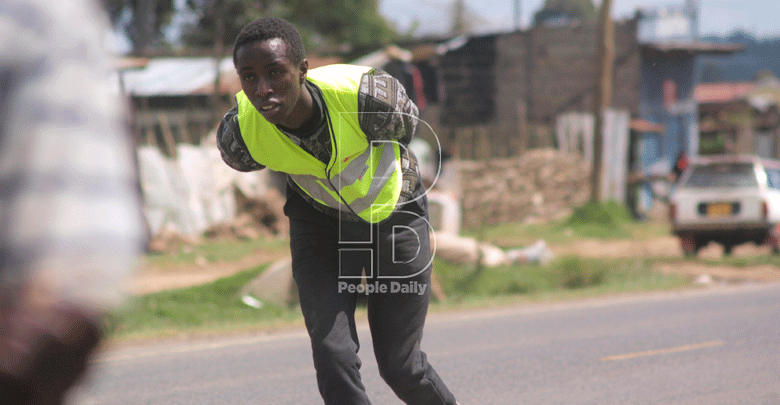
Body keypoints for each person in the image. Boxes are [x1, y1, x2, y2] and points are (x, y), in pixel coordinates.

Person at [217, 17, 459, 405]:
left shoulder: (367, 97)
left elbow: (407, 131)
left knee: (401, 366)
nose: (262, 90)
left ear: (303, 70)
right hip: (319, 224)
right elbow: (241, 160)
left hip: (394, 215)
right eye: (249, 77)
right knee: (332, 354)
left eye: (275, 73)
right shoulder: (240, 135)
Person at [0, 0, 145, 403]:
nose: (261, 91)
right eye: (250, 77)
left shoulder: (34, 16)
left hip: (337, 211)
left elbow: (57, 296)